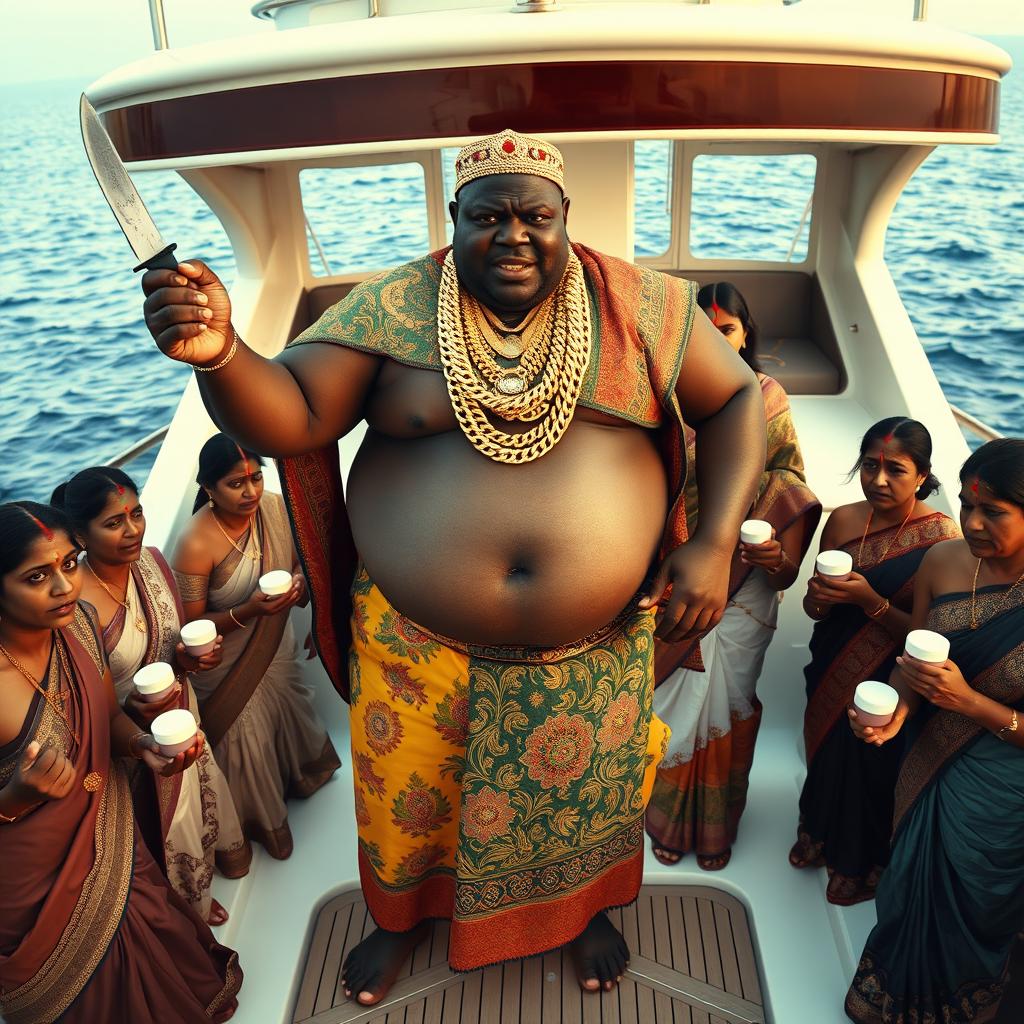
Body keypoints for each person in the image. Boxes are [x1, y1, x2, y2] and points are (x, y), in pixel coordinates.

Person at [141, 129, 767, 1003]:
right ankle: (399, 923)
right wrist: (221, 354)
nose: (513, 235)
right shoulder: (392, 307)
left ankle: (582, 913)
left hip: (589, 649)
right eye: (490, 216)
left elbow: (737, 394)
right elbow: (289, 414)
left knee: (584, 800)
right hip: (417, 643)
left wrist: (712, 541)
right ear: (454, 218)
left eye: (535, 216)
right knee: (410, 807)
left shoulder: (641, 306)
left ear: (564, 219)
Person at [0, 501, 242, 1023]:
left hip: (110, 831)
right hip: (29, 883)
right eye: (37, 576)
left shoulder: (80, 625)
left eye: (70, 564)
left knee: (154, 945)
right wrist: (16, 796)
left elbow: (109, 718)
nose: (65, 587)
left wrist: (143, 748)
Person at [845, 438, 1024, 1023]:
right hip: (928, 763)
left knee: (977, 901)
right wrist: (894, 715)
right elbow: (912, 666)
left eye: (993, 511)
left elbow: (964, 698)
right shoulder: (943, 562)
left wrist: (970, 703)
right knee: (905, 888)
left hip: (1003, 787)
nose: (971, 523)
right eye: (967, 506)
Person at [647, 282, 821, 870]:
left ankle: (715, 827)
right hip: (667, 571)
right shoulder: (661, 396)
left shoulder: (765, 397)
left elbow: (788, 477)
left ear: (745, 334)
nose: (717, 341)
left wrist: (769, 553)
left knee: (729, 697)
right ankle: (662, 820)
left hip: (743, 581)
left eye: (727, 330)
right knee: (667, 704)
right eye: (704, 330)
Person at [53, 466, 250, 925]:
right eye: (114, 522)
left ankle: (206, 874)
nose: (133, 529)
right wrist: (130, 715)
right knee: (159, 828)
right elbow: (78, 705)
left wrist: (193, 660)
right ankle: (185, 906)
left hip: (181, 715)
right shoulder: (73, 605)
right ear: (80, 534)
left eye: (136, 513)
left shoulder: (154, 563)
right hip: (125, 742)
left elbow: (173, 646)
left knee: (197, 798)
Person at [789, 417, 959, 905]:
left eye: (896, 470)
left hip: (889, 678)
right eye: (870, 465)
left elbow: (923, 634)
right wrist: (820, 599)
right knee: (824, 752)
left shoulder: (940, 539)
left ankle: (858, 864)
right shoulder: (843, 519)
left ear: (923, 475)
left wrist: (870, 602)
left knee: (869, 769)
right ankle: (818, 833)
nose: (879, 480)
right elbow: (814, 608)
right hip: (830, 663)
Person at [171, 434, 340, 861]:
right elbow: (191, 626)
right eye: (235, 483)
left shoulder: (275, 508)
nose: (250, 492)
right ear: (208, 489)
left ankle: (299, 780)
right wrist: (248, 609)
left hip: (274, 645)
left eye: (256, 478)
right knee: (246, 741)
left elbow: (306, 554)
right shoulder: (196, 542)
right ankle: (261, 827)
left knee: (286, 708)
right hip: (223, 664)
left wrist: (302, 580)